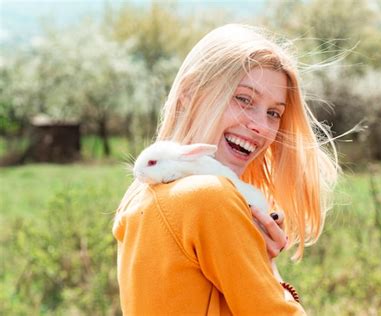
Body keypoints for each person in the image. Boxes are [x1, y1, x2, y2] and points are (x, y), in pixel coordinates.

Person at [113, 24, 338, 315]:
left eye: (274, 113)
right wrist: (268, 269)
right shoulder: (209, 196)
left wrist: (251, 250)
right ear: (190, 93)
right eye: (244, 99)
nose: (261, 125)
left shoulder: (142, 196)